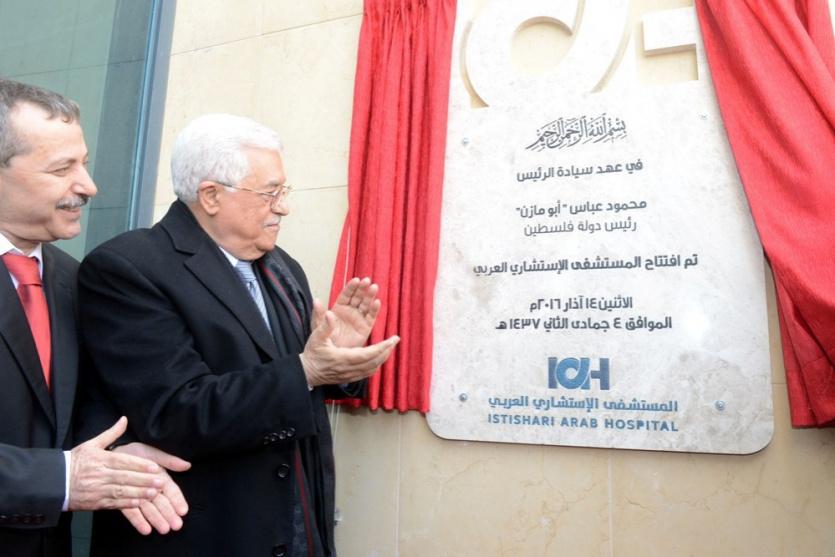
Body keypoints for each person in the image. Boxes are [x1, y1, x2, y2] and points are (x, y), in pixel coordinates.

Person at [77, 113, 399, 556]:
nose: (283, 207)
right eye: (270, 193)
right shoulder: (130, 267)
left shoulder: (282, 266)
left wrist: (337, 360)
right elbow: (176, 413)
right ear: (211, 195)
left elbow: (295, 379)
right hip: (205, 533)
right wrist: (307, 370)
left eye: (283, 192)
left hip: (295, 525)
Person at [0, 78, 191, 556]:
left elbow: (61, 409)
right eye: (62, 168)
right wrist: (61, 478)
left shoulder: (71, 278)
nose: (88, 186)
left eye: (83, 163)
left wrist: (111, 458)